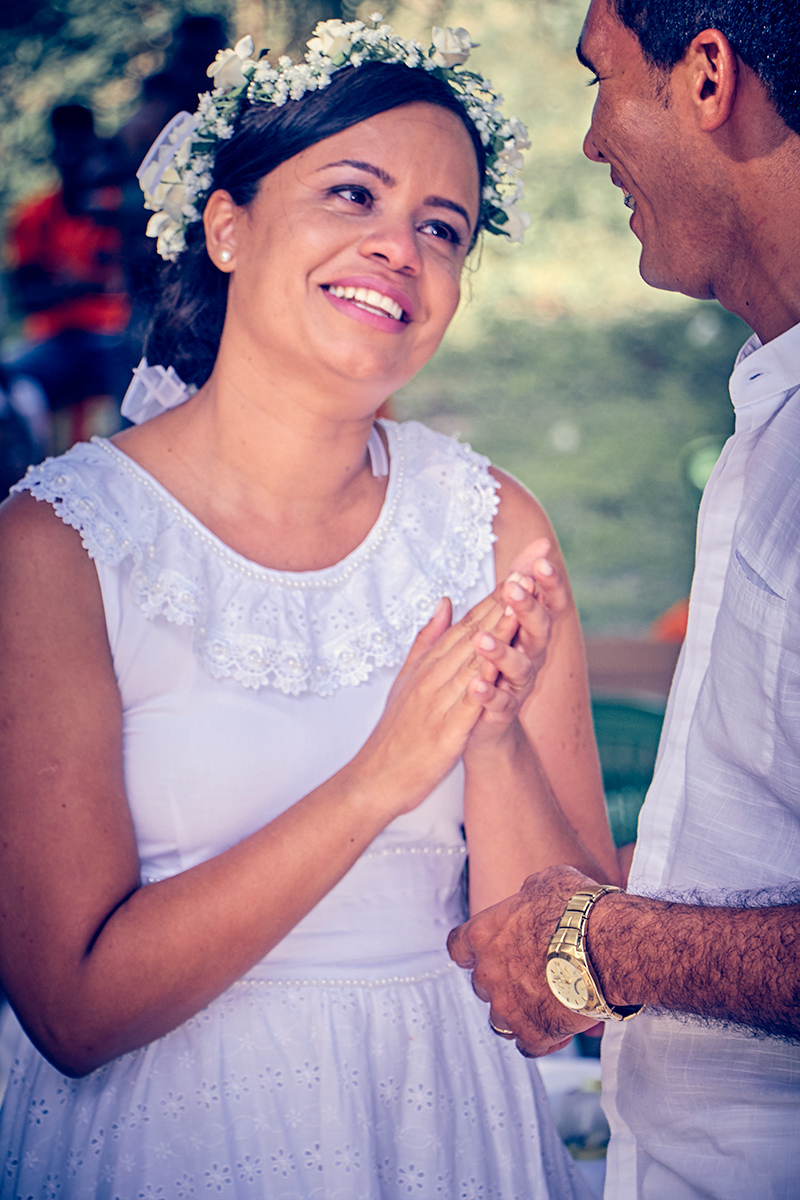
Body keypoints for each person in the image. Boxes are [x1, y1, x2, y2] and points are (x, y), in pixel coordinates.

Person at [0, 21, 618, 1198]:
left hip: (441, 1138)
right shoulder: (58, 546)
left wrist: (489, 739)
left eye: (441, 227)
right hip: (168, 1144)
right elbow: (72, 1012)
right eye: (352, 193)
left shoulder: (495, 528)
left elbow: (561, 1006)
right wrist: (382, 775)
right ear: (225, 226)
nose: (399, 247)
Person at [448, 2, 800, 1197]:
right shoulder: (769, 401)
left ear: (705, 77)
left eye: (599, 80)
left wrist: (604, 943)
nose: (591, 140)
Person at [4, 104, 132, 446]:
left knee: (131, 363)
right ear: (55, 152)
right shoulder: (33, 216)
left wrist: (64, 286)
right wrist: (91, 283)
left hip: (111, 335)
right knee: (10, 374)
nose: (74, 158)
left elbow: (128, 282)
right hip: (54, 341)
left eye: (81, 149)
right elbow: (26, 298)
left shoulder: (121, 209)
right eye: (66, 147)